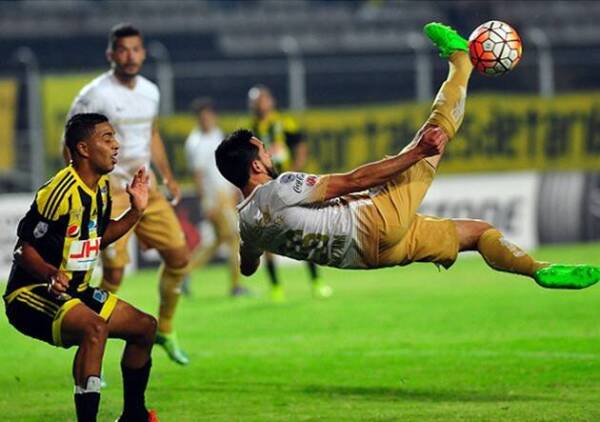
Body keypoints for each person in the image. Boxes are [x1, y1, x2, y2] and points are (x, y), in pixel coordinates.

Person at [215, 23, 600, 290]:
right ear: (255, 165)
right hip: (374, 222)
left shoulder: (246, 223)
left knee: (478, 233)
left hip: (371, 256)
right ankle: (460, 62)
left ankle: (542, 271)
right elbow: (355, 181)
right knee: (432, 135)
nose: (269, 152)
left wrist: (264, 244)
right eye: (263, 150)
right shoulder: (282, 187)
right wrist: (416, 153)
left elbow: (248, 267)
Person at [4, 113, 158, 422]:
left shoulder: (101, 188)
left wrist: (136, 212)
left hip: (79, 291)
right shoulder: (59, 191)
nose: (116, 145)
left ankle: (134, 415)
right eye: (107, 138)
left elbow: (99, 237)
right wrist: (49, 273)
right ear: (84, 149)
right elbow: (23, 249)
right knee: (95, 328)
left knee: (145, 327)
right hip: (31, 293)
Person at [64, 23, 190, 365]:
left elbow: (151, 135)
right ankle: (93, 346)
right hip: (110, 192)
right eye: (122, 50)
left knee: (180, 259)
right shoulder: (96, 94)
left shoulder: (150, 91)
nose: (129, 56)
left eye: (135, 49)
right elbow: (70, 138)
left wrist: (168, 175)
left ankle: (165, 328)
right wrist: (81, 186)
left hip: (145, 187)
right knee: (114, 276)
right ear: (110, 55)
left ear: (143, 53)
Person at [248, 84, 331, 301]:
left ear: (271, 101)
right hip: (266, 191)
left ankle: (317, 282)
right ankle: (276, 287)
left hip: (288, 186)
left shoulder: (284, 123)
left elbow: (300, 148)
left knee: (303, 233)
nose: (260, 104)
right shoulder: (250, 131)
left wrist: (294, 172)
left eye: (263, 99)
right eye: (256, 100)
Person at [184, 98, 249, 297]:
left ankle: (183, 274)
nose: (206, 120)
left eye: (209, 115)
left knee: (216, 241)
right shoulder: (196, 143)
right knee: (234, 239)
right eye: (202, 117)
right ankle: (236, 286)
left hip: (226, 197)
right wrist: (207, 202)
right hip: (215, 200)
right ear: (198, 119)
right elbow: (199, 177)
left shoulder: (218, 135)